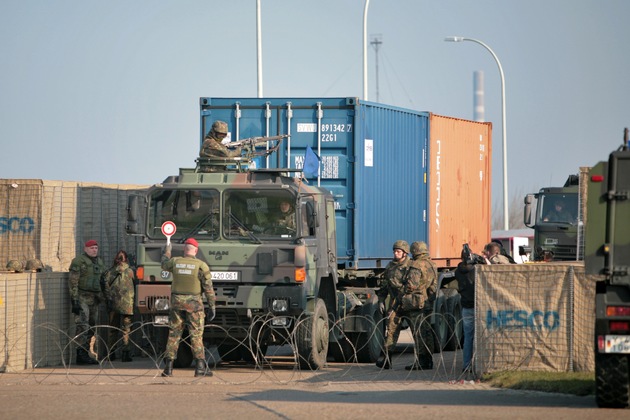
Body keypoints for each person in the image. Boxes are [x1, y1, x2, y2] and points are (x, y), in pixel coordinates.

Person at [161, 238, 215, 377]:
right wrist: (212, 306)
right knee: (196, 334)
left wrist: (167, 251)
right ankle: (200, 367)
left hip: (176, 303)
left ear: (185, 249)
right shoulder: (201, 265)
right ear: (196, 250)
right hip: (194, 304)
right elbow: (208, 288)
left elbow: (163, 264)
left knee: (174, 334)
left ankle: (168, 368)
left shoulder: (175, 262)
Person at [375, 240, 411, 369]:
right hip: (394, 304)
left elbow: (410, 286)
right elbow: (385, 285)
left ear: (405, 253)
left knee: (418, 332)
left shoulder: (411, 266)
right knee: (390, 331)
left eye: (399, 251)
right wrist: (381, 299)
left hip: (409, 304)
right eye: (395, 251)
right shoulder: (390, 266)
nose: (396, 253)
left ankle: (423, 359)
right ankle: (387, 359)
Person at [68, 239, 105, 365]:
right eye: (91, 248)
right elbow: (73, 281)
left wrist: (105, 296)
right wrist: (74, 300)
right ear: (85, 249)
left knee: (92, 325)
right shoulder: (79, 261)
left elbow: (102, 280)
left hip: (94, 298)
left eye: (96, 248)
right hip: (82, 296)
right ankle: (80, 352)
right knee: (83, 325)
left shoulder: (99, 262)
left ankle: (86, 350)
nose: (94, 250)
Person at [405, 241, 437, 371]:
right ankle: (428, 360)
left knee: (418, 333)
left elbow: (412, 285)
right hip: (428, 301)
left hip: (418, 303)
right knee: (427, 331)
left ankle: (421, 361)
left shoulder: (417, 265)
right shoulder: (432, 264)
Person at [103, 250, 135, 362]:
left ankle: (111, 353)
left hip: (113, 305)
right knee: (126, 329)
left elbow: (105, 288)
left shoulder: (109, 272)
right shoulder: (131, 271)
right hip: (128, 305)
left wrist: (108, 300)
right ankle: (126, 353)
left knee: (112, 329)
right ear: (126, 259)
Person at [454, 248, 478, 376]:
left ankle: (466, 365)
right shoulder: (476, 270)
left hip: (466, 307)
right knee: (479, 337)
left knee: (468, 337)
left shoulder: (458, 272)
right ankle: (478, 364)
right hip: (477, 306)